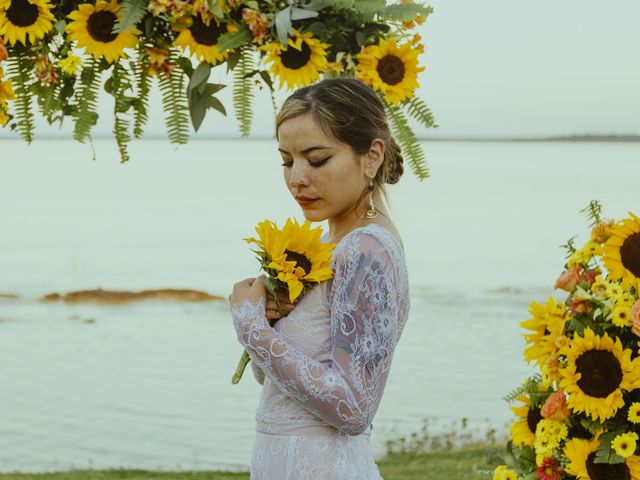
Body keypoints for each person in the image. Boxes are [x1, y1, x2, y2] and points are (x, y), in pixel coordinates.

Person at [229, 77, 410, 479]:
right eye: (286, 160)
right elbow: (276, 384)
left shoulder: (366, 249)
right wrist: (273, 322)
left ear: (371, 155)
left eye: (316, 159)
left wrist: (252, 327)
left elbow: (354, 407)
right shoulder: (330, 243)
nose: (296, 178)